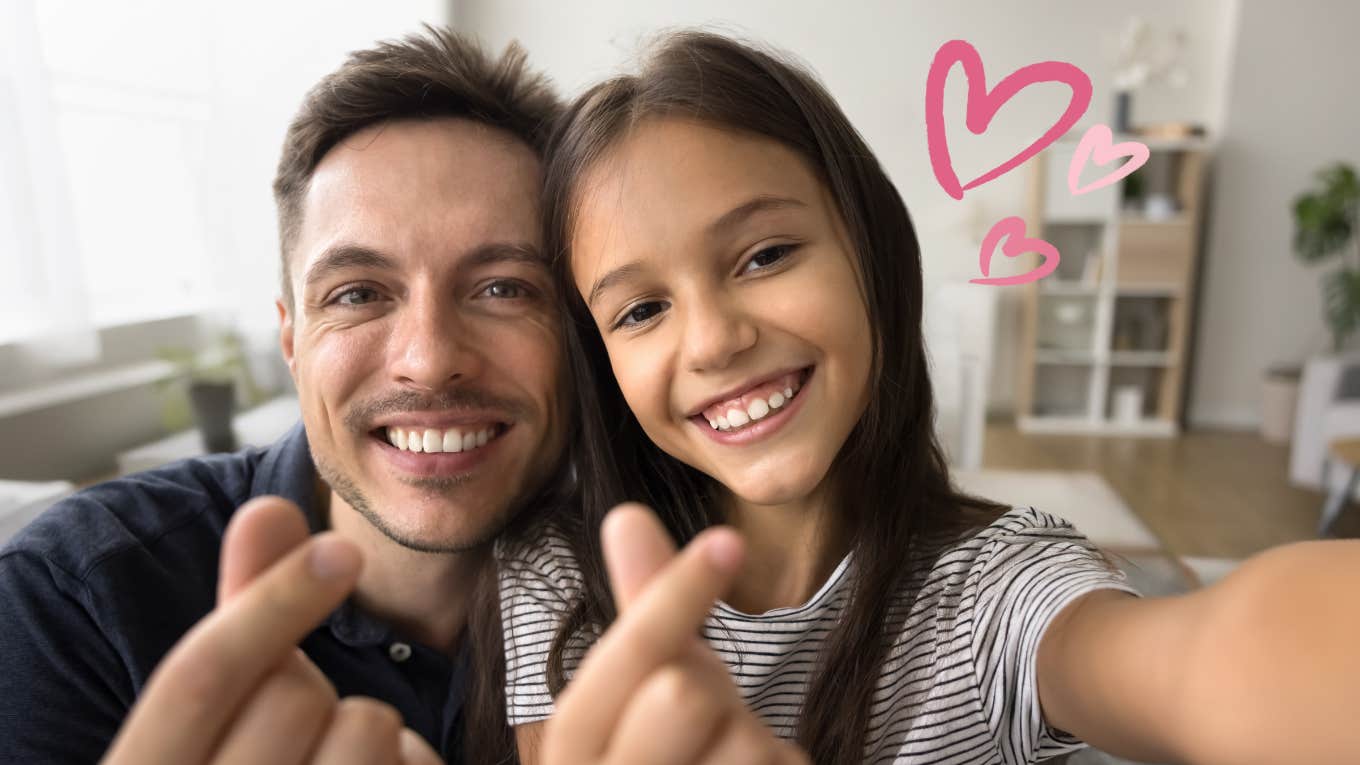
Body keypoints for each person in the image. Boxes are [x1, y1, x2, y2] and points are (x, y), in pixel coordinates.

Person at [498, 30, 1360, 765]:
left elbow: (1205, 657)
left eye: (764, 256)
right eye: (642, 309)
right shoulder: (556, 572)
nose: (715, 338)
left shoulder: (997, 591)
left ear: (868, 252)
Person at [1, 24, 806, 765]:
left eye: (502, 287)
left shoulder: (698, 592)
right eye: (357, 293)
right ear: (291, 338)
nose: (429, 360)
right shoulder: (72, 599)